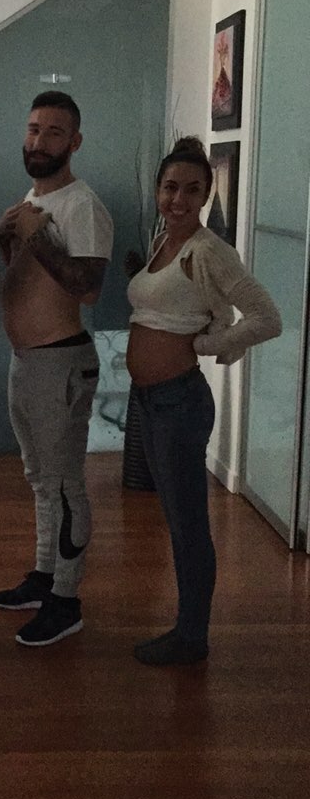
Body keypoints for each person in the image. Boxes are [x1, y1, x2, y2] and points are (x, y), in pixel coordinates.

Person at [127, 136, 282, 666]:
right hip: (152, 401)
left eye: (192, 190)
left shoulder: (210, 250)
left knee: (188, 523)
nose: (179, 199)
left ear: (206, 196)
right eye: (170, 187)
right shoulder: (163, 241)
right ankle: (188, 628)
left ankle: (192, 635)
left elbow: (267, 318)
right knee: (176, 519)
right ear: (158, 190)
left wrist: (205, 345)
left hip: (179, 404)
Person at [0, 91, 113, 646]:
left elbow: (87, 289)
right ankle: (45, 576)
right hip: (27, 361)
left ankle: (66, 600)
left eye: (54, 132)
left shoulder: (83, 205)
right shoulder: (33, 200)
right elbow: (30, 277)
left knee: (64, 486)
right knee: (40, 480)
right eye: (34, 129)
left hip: (61, 361)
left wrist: (35, 234)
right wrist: (7, 239)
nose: (39, 141)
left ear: (75, 142)